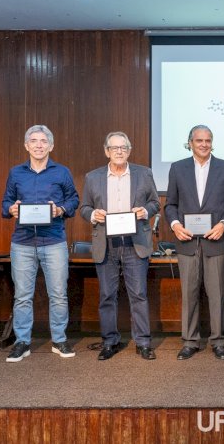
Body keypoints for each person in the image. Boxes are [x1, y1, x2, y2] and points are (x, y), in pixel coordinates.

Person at [1, 125, 79, 362]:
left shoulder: (62, 172)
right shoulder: (16, 173)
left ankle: (59, 340)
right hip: (22, 243)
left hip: (54, 241)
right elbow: (5, 202)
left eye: (43, 141)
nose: (38, 145)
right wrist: (10, 209)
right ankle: (22, 342)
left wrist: (62, 209)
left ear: (51, 146)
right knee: (23, 296)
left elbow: (73, 199)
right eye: (33, 141)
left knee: (58, 294)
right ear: (26, 146)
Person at [80, 132, 160, 361]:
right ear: (106, 151)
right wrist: (94, 214)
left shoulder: (143, 174)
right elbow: (84, 208)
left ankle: (143, 342)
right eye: (114, 148)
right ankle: (109, 342)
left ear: (129, 150)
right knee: (107, 295)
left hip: (135, 243)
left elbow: (155, 203)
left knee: (139, 294)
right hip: (106, 244)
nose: (119, 151)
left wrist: (145, 211)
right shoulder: (93, 177)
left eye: (123, 148)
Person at [164, 125, 224, 361]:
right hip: (186, 242)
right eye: (199, 140)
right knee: (189, 294)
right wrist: (175, 225)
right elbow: (171, 205)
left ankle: (218, 341)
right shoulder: (177, 168)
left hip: (216, 241)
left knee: (217, 294)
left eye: (208, 140)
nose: (204, 144)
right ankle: (190, 341)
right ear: (190, 142)